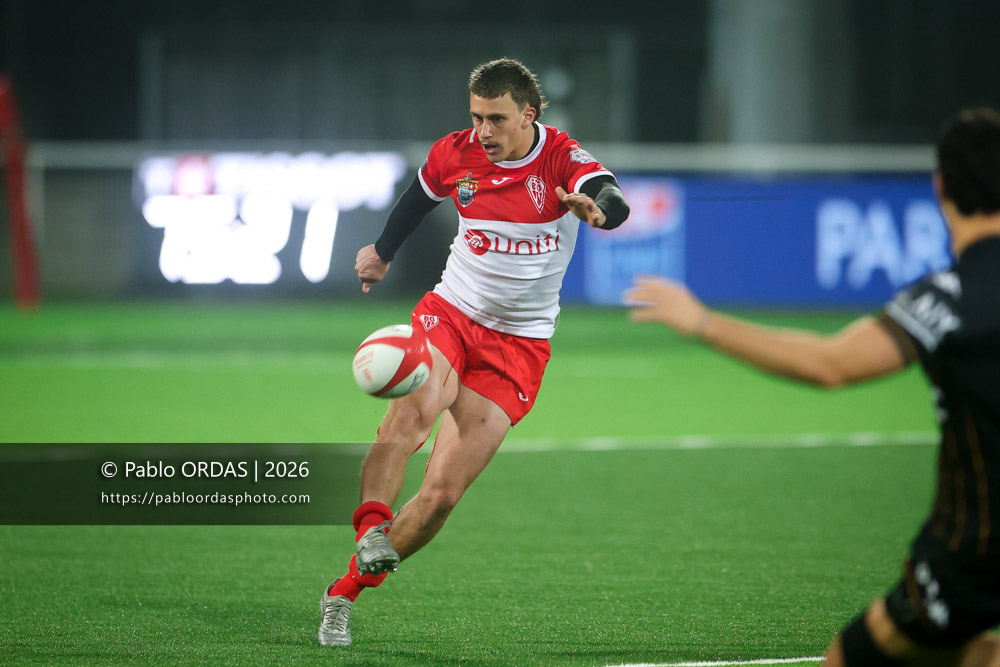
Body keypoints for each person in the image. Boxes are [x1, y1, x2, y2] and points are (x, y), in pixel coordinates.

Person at [627, 107, 1000, 666]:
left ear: (940, 186)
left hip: (976, 549)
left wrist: (703, 322)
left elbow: (831, 363)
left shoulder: (945, 299)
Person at [318, 57, 630, 647]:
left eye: (496, 118)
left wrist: (598, 211)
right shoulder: (455, 152)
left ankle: (343, 593)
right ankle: (371, 528)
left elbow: (608, 195)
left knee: (439, 497)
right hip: (452, 314)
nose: (483, 131)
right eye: (476, 117)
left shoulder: (561, 157)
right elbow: (418, 197)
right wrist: (382, 253)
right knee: (410, 414)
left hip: (520, 345)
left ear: (528, 115)